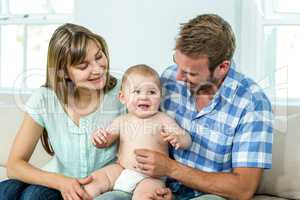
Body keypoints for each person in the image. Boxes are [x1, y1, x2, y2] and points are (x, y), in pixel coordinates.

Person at [133, 14, 273, 200]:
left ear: (222, 67)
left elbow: (242, 189)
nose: (178, 78)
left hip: (209, 195)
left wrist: (170, 168)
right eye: (177, 63)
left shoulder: (252, 103)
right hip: (162, 187)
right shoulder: (169, 78)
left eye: (190, 73)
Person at [0, 23, 124, 200]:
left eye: (99, 57)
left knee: (32, 197)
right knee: (6, 191)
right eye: (83, 66)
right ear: (63, 73)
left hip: (102, 186)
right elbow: (14, 165)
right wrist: (61, 182)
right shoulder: (45, 98)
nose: (97, 69)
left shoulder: (125, 92)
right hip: (57, 182)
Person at [84, 64, 192, 200]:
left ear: (160, 97)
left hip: (151, 176)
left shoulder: (162, 119)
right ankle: (86, 196)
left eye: (152, 92)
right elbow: (106, 141)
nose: (144, 97)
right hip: (122, 169)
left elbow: (187, 140)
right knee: (95, 179)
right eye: (137, 91)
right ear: (122, 97)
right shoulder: (121, 120)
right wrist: (99, 138)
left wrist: (179, 138)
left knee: (145, 196)